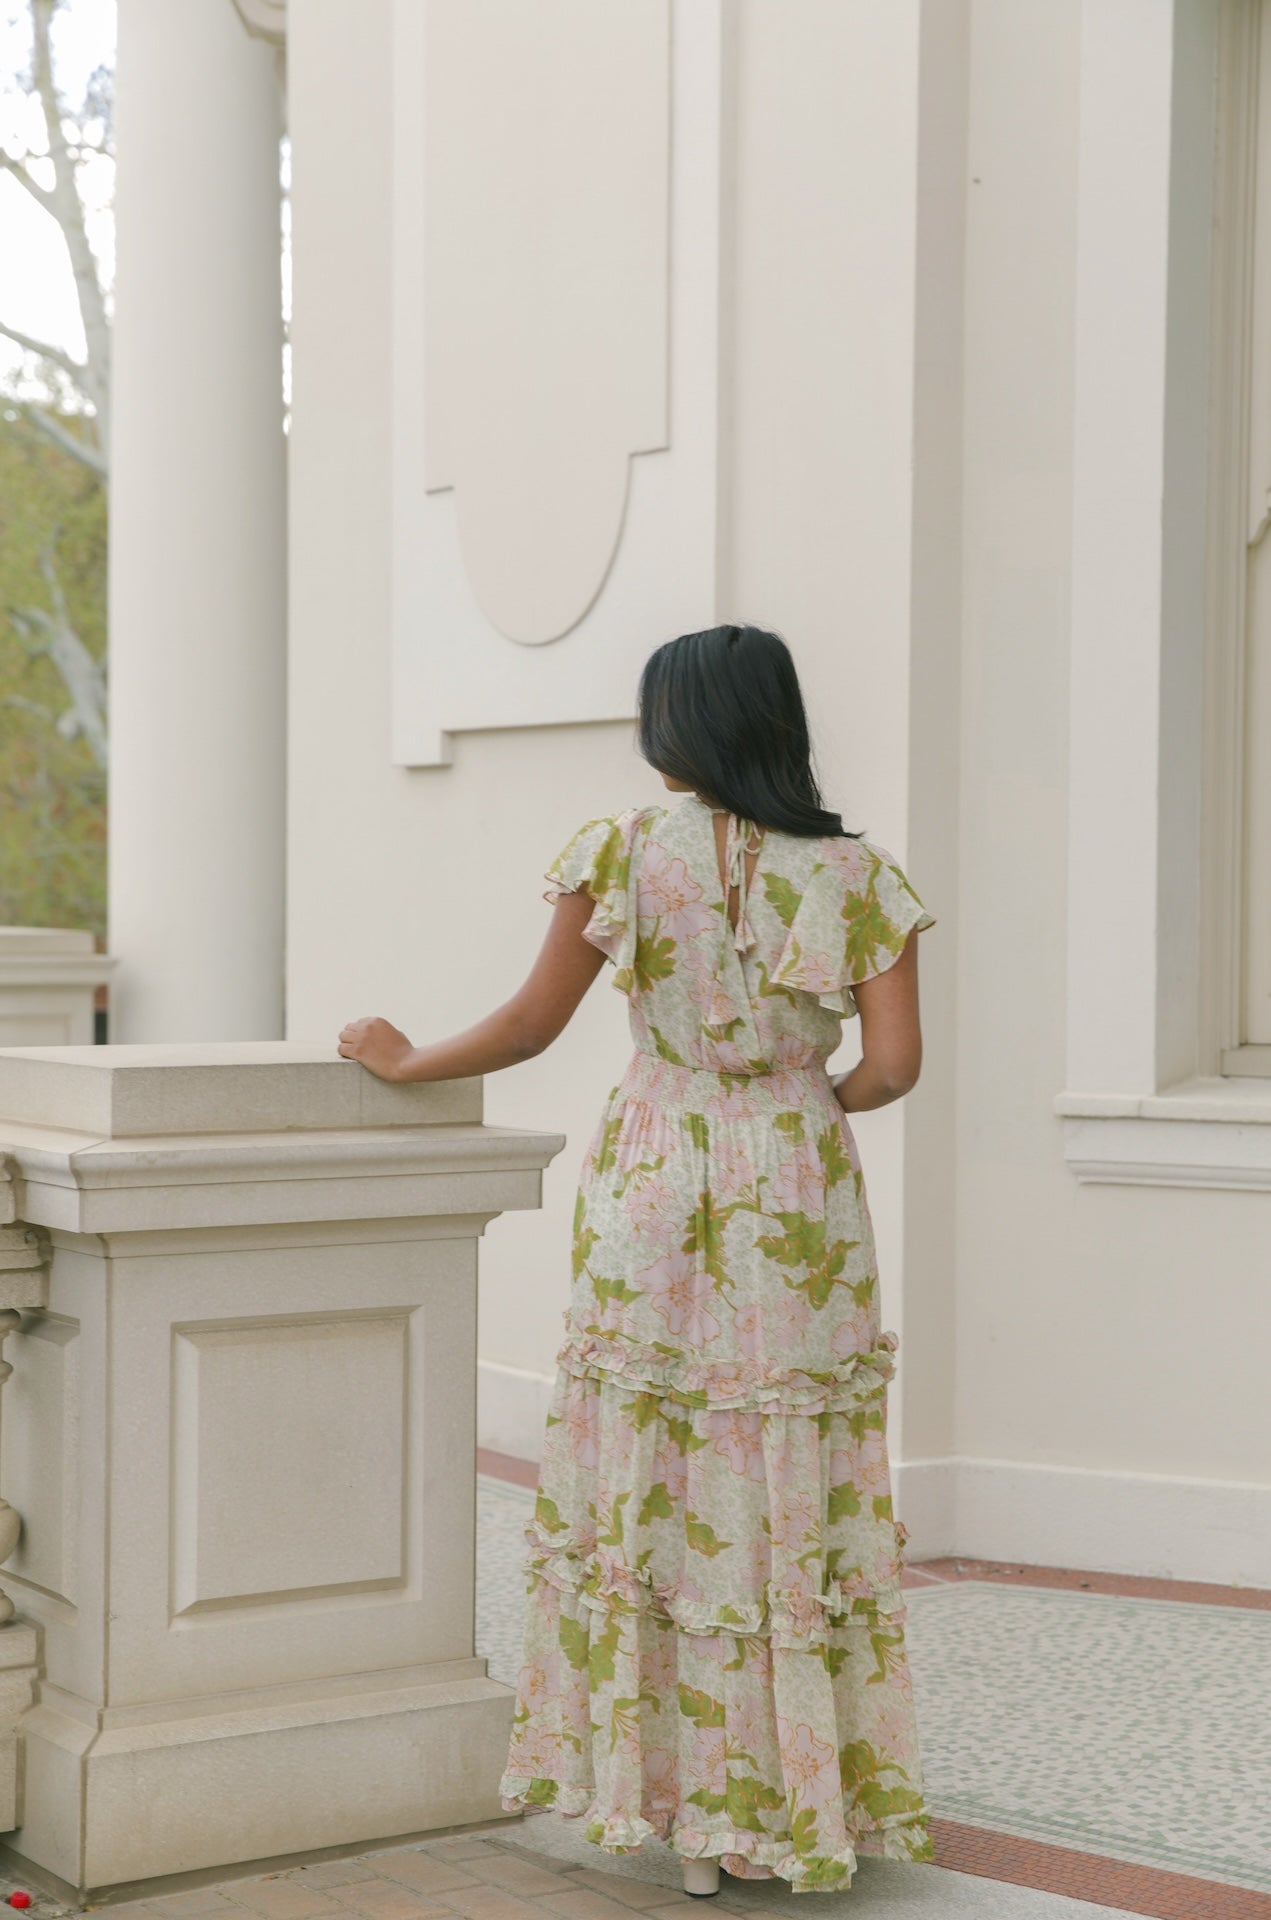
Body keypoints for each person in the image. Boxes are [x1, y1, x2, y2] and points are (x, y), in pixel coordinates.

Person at [338, 624, 936, 1898]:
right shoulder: (858, 875)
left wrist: (401, 1059)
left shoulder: (616, 848)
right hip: (796, 1174)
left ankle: (672, 1808)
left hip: (657, 1165)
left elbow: (527, 1022)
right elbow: (892, 1066)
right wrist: (806, 1096)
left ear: (679, 726)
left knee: (655, 1465)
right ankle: (792, 1806)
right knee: (783, 1467)